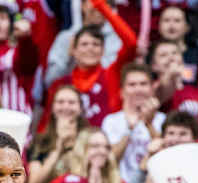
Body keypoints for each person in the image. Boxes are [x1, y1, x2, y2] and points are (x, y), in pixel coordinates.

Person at [42, 0, 137, 129]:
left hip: (106, 146)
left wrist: (102, 7)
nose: (90, 49)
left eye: (96, 44)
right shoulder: (61, 84)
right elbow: (46, 126)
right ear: (73, 50)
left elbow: (131, 43)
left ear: (103, 51)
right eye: (84, 44)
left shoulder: (111, 74)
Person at [102, 62, 165, 183]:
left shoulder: (162, 119)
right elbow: (108, 161)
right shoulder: (111, 121)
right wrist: (129, 130)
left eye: (143, 84)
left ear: (152, 89)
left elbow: (167, 158)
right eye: (132, 84)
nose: (138, 89)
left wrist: (149, 125)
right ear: (122, 91)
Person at [45, 0, 123, 88]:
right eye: (94, 1)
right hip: (70, 95)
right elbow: (49, 81)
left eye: (106, 3)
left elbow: (115, 78)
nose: (100, 5)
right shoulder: (66, 38)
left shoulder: (117, 39)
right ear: (83, 5)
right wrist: (69, 57)